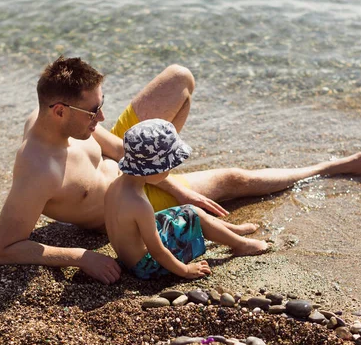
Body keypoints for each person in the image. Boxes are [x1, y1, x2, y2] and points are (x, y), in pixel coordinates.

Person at [0, 56, 361, 284]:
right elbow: (2, 250)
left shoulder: (65, 121)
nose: (102, 116)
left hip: (135, 171)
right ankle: (330, 167)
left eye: (100, 104)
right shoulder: (38, 171)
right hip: (125, 201)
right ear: (59, 111)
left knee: (179, 79)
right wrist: (81, 257)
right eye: (94, 111)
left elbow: (120, 147)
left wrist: (170, 179)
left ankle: (167, 168)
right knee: (234, 180)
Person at [106, 119, 268, 280]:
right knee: (194, 216)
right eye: (168, 167)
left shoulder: (116, 185)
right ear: (152, 169)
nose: (169, 172)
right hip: (148, 266)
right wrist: (186, 270)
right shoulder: (139, 205)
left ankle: (234, 231)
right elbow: (158, 252)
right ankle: (241, 245)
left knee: (188, 210)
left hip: (127, 259)